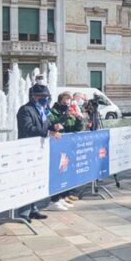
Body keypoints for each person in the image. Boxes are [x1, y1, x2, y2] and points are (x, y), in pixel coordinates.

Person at [16, 84, 62, 222]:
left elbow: (45, 125)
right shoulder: (25, 110)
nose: (45, 99)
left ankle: (34, 209)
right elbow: (28, 127)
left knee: (36, 180)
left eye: (47, 97)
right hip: (27, 150)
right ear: (34, 97)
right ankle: (23, 212)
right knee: (26, 181)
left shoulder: (42, 110)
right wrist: (48, 132)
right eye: (42, 97)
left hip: (39, 150)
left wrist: (54, 127)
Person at [47, 92, 84, 211]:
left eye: (68, 103)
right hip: (56, 148)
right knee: (57, 174)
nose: (66, 105)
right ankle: (54, 199)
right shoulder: (52, 112)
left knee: (65, 173)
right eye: (64, 103)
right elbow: (53, 125)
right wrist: (64, 117)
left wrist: (78, 119)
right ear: (59, 102)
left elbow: (76, 128)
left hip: (67, 148)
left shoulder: (70, 112)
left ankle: (62, 197)